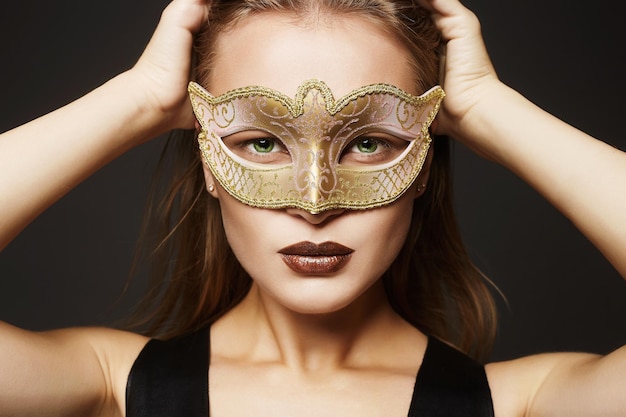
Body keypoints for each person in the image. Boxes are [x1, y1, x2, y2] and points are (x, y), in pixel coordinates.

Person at [0, 0, 625, 416]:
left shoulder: (519, 403)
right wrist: (136, 100)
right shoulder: (113, 385)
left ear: (425, 163)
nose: (315, 203)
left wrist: (493, 109)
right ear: (207, 160)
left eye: (370, 142)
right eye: (262, 142)